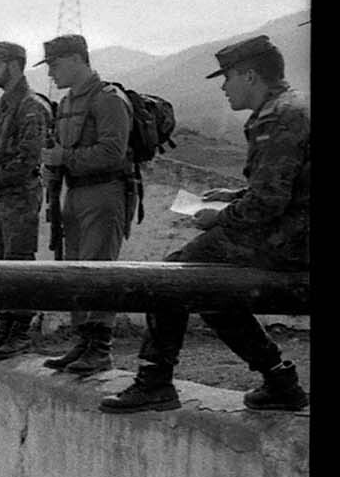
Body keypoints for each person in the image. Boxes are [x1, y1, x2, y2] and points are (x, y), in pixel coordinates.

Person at [101, 36, 310, 413]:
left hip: (290, 240)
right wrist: (231, 195)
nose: (224, 87)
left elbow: (269, 202)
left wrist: (219, 216)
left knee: (173, 277)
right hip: (295, 233)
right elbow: (285, 186)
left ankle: (154, 380)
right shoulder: (289, 108)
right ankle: (279, 379)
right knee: (211, 289)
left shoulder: (278, 117)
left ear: (249, 76)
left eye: (227, 77)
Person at [36, 35, 133, 376]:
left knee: (100, 270)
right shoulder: (65, 104)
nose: (51, 72)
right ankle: (82, 343)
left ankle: (100, 348)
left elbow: (113, 152)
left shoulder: (108, 99)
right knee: (75, 268)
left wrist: (66, 157)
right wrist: (53, 166)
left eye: (55, 64)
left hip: (104, 193)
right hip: (74, 193)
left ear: (77, 59)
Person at [0, 40, 53, 359]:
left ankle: (20, 333)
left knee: (18, 264)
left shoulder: (31, 107)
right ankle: (5, 328)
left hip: (19, 197)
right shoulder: (4, 106)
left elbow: (29, 160)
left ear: (15, 65)